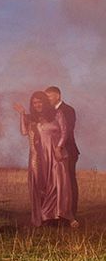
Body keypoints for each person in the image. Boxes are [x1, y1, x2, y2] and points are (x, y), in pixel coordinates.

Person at [13, 91, 75, 227]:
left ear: (45, 102)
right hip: (38, 156)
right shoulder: (31, 118)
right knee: (39, 185)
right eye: (34, 103)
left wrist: (59, 148)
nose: (37, 105)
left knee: (57, 184)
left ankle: (58, 215)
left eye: (40, 101)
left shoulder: (57, 114)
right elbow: (24, 132)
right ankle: (43, 217)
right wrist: (22, 114)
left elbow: (65, 132)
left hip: (55, 154)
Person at [45, 86, 80, 217]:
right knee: (56, 183)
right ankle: (57, 213)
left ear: (57, 96)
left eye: (49, 96)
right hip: (54, 152)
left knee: (69, 182)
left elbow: (67, 131)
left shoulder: (68, 110)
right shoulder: (49, 111)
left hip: (69, 151)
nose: (47, 99)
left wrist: (58, 147)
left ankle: (71, 213)